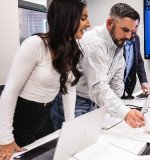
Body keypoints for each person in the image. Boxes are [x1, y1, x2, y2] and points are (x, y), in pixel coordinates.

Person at [0, 0, 90, 159]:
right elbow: (10, 91)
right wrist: (5, 138)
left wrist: (70, 126)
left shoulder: (69, 48)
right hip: (21, 120)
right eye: (83, 18)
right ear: (67, 18)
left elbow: (69, 88)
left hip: (44, 117)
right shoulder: (35, 44)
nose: (88, 24)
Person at [51, 3, 145, 130]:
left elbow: (116, 84)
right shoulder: (94, 43)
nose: (129, 36)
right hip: (75, 102)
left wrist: (122, 110)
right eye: (125, 30)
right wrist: (124, 112)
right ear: (109, 23)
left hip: (93, 101)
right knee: (73, 146)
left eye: (132, 31)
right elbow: (98, 87)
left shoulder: (117, 42)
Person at [122, 33, 150, 99]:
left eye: (137, 26)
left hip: (128, 86)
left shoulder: (136, 38)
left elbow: (139, 60)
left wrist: (143, 81)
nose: (134, 30)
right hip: (114, 87)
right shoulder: (119, 39)